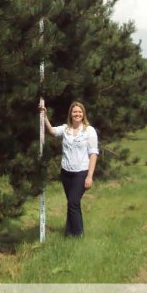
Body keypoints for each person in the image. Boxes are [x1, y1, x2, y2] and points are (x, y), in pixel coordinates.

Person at [39, 99, 99, 237]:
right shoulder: (66, 129)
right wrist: (44, 115)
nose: (77, 114)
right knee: (73, 204)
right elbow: (52, 131)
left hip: (81, 172)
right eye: (74, 111)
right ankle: (70, 232)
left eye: (79, 111)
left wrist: (90, 176)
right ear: (70, 114)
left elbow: (93, 153)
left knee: (73, 202)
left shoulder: (89, 131)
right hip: (66, 172)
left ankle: (78, 235)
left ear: (83, 114)